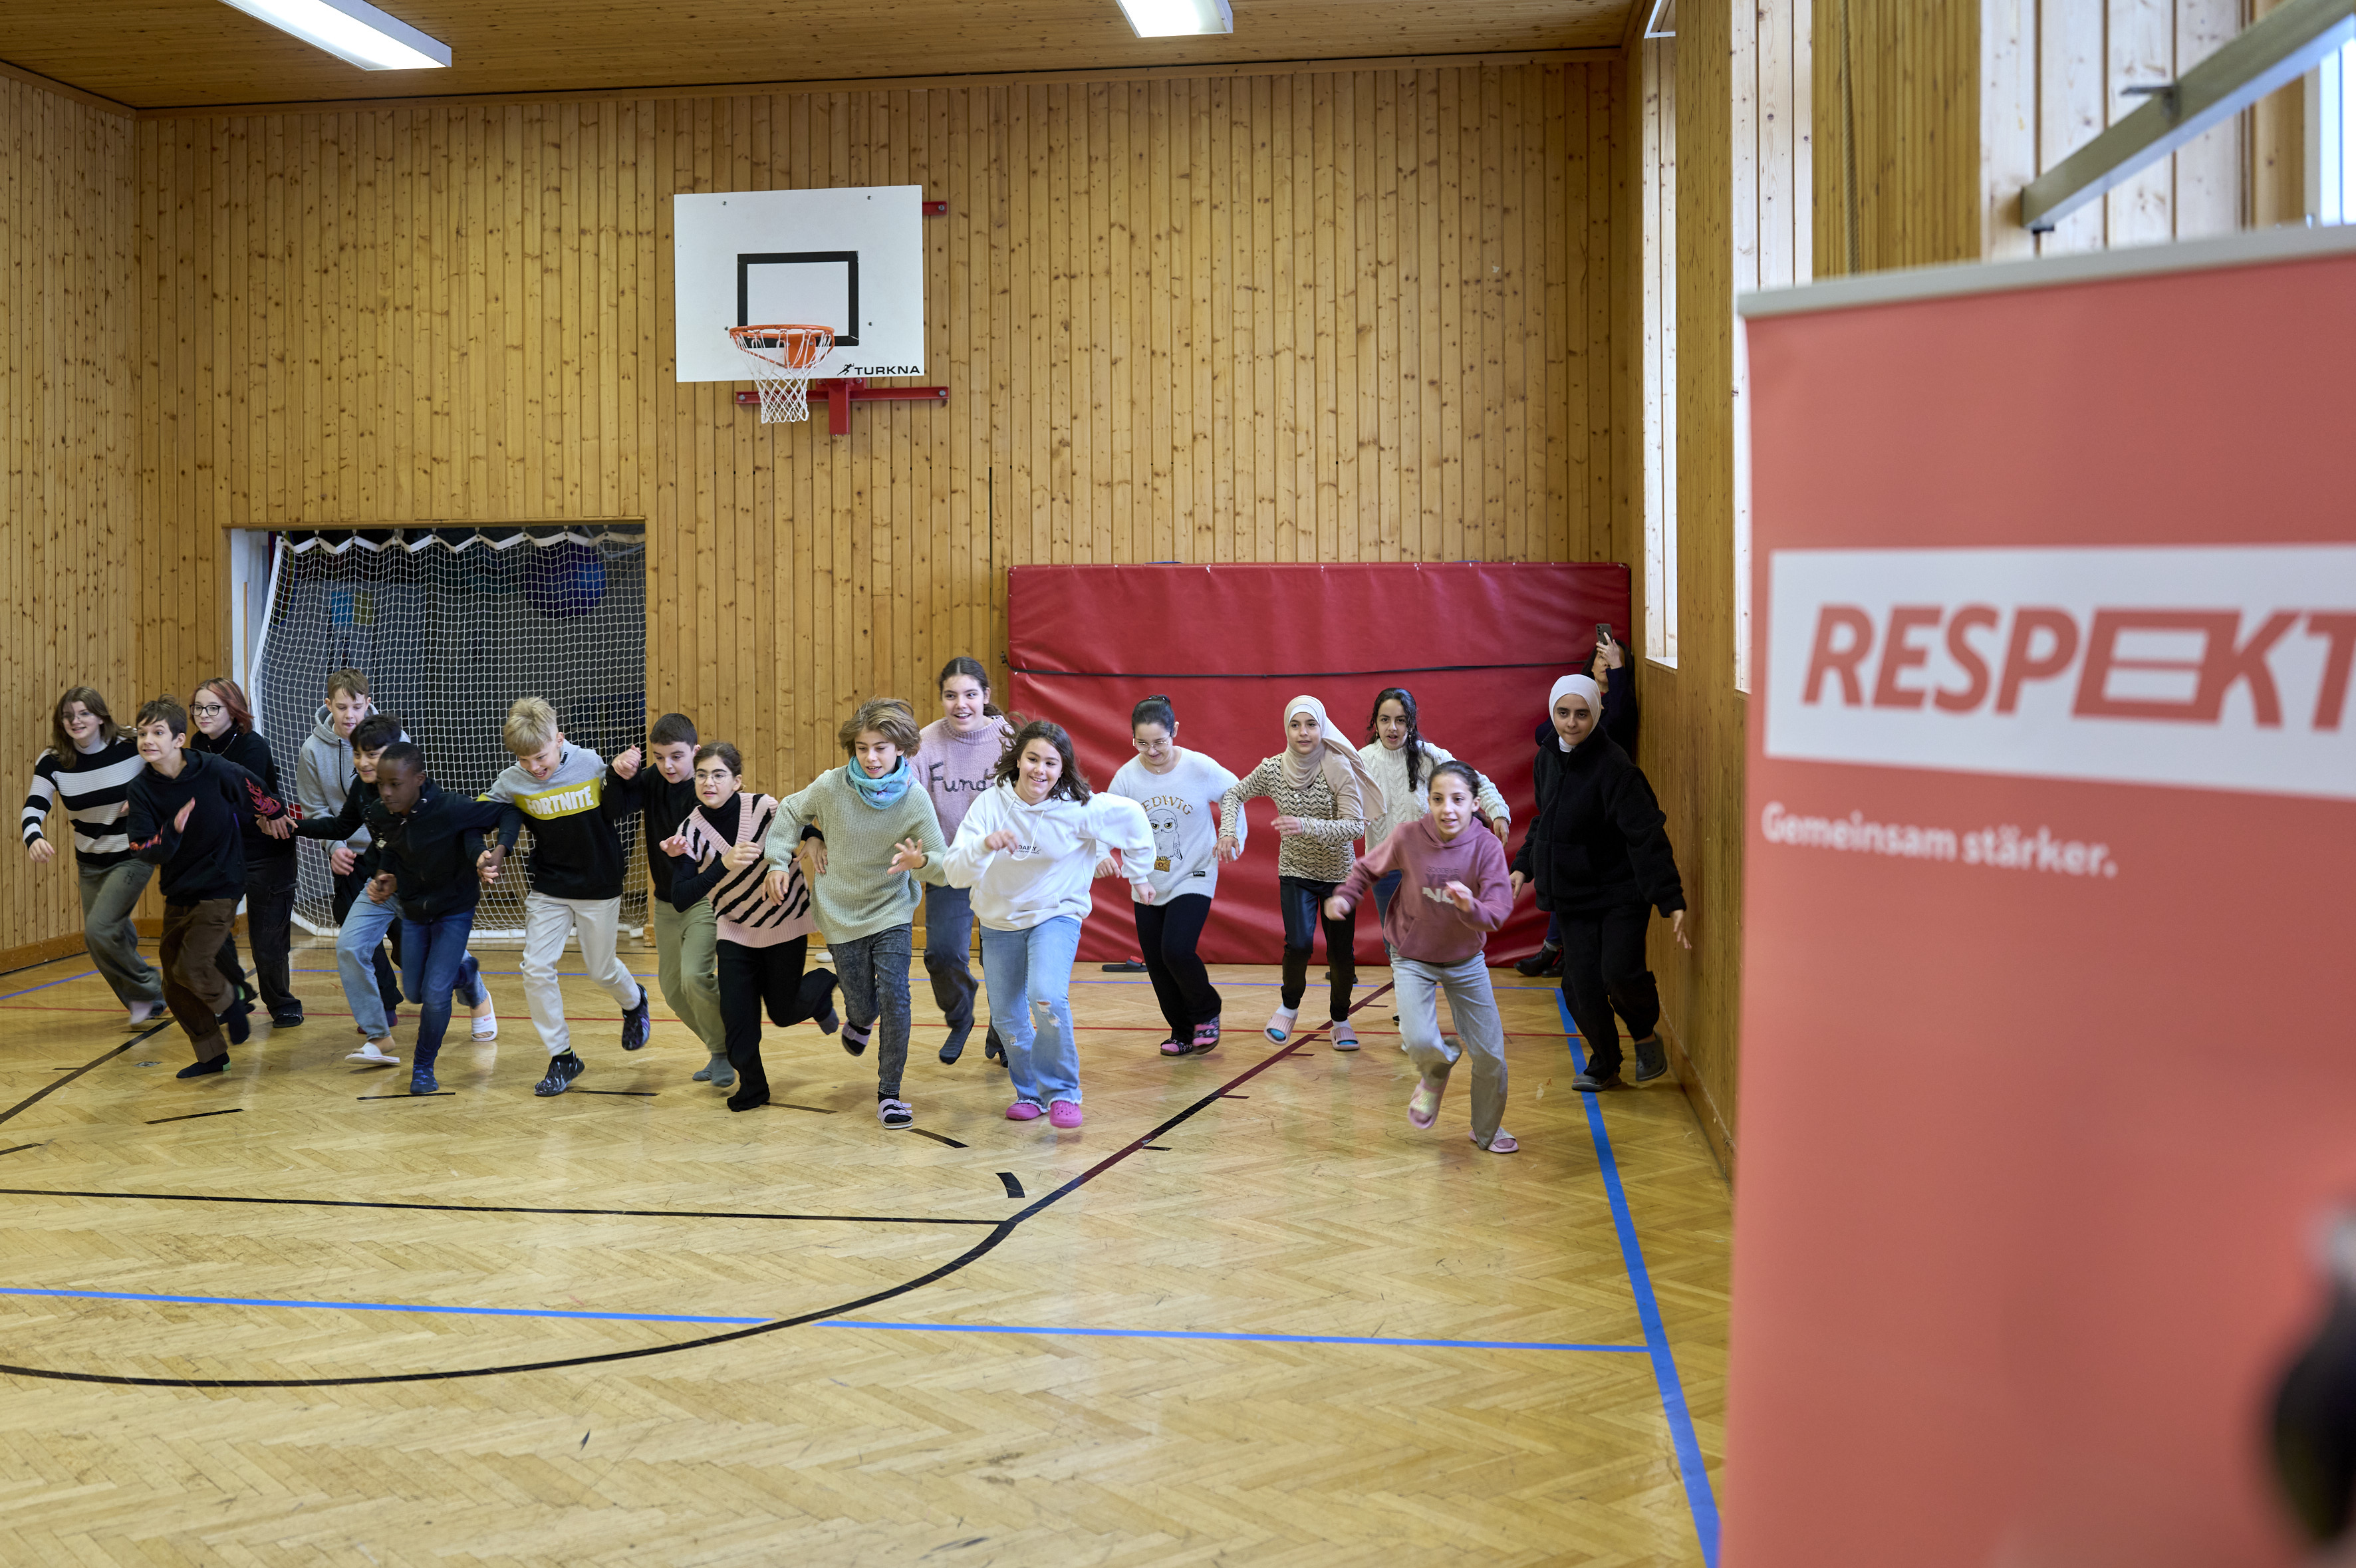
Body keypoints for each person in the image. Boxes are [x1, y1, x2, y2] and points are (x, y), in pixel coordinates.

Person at [938, 719, 1156, 1128]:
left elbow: (1133, 820)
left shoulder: (1080, 807)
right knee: (1005, 1015)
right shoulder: (990, 804)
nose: (1040, 770)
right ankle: (1030, 1093)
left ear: (1063, 768)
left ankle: (1063, 1092)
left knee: (1047, 998)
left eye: (1051, 763)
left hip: (1056, 913)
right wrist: (986, 845)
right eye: (1033, 759)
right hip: (999, 920)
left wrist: (1140, 873)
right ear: (1018, 760)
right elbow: (954, 872)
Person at [764, 698, 951, 1129]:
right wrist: (778, 861)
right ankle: (859, 1021)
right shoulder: (831, 786)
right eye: (863, 748)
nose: (871, 757)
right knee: (862, 1003)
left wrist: (920, 864)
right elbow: (792, 811)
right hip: (838, 910)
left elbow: (943, 863)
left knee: (896, 996)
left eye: (881, 747)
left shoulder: (913, 799)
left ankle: (889, 1094)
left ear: (901, 748)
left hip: (891, 908)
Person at [1509, 673, 1691, 1091]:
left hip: (1619, 892)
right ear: (1552, 712)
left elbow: (1647, 835)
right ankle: (1606, 1061)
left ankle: (1644, 1033)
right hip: (1574, 895)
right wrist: (1523, 866)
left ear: (1597, 714)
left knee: (1619, 974)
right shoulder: (1546, 758)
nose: (1572, 723)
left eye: (1582, 714)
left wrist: (1671, 897)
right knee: (1579, 986)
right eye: (1563, 713)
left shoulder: (1616, 768)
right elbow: (1544, 820)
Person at [1328, 762, 1518, 1152]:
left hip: (1465, 958)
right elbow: (1366, 868)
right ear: (1427, 801)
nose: (1448, 809)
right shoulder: (1408, 836)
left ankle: (1487, 1130)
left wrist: (1470, 908)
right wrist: (1346, 896)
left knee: (1491, 1057)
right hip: (1412, 954)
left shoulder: (1486, 847)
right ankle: (1435, 1071)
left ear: (1474, 803)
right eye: (1438, 799)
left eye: (1458, 800)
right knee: (1417, 1039)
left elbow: (1498, 910)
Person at [477, 696, 652, 1097]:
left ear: (560, 740)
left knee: (601, 969)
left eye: (540, 757)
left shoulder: (590, 763)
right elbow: (480, 813)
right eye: (524, 761)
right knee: (535, 967)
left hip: (599, 886)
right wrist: (480, 853)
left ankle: (634, 999)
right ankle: (563, 1056)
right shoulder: (513, 781)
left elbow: (621, 796)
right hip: (550, 887)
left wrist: (622, 772)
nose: (534, 768)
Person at [122, 696, 296, 1079]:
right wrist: (172, 831)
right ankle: (211, 1054)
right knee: (172, 981)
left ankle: (232, 1002)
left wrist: (273, 811)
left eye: (157, 732)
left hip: (222, 883)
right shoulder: (141, 790)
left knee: (193, 963)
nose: (148, 740)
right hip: (179, 889)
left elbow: (252, 787)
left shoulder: (213, 769)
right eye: (142, 733)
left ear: (179, 739)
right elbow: (141, 848)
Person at [672, 743, 839, 1113]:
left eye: (718, 775)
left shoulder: (765, 807)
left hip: (785, 926)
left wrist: (813, 837)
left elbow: (806, 828)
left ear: (737, 781)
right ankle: (754, 1087)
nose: (708, 782)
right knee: (737, 1018)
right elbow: (681, 895)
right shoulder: (690, 831)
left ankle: (824, 983)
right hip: (735, 932)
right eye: (701, 775)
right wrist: (722, 865)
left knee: (782, 1012)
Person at [1218, 695, 1385, 1051]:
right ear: (1286, 729)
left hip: (1339, 875)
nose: (1303, 732)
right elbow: (1233, 795)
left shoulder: (1337, 765)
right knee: (1299, 944)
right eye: (1296, 725)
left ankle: (1340, 1018)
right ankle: (1288, 1007)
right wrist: (1228, 832)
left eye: (1311, 725)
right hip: (1295, 871)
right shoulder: (1274, 769)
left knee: (1341, 953)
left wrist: (1305, 825)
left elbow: (1355, 828)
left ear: (1321, 727)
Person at [356, 743, 519, 1095]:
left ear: (419, 780)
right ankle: (467, 974)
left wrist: (501, 851)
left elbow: (508, 812)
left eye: (395, 784)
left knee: (433, 994)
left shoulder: (451, 808)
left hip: (454, 911)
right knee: (413, 991)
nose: (386, 791)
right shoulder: (380, 813)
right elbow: (392, 850)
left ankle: (424, 1068)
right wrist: (386, 874)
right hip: (414, 912)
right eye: (381, 783)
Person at [21, 686, 168, 1027]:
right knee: (111, 934)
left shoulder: (132, 745)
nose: (76, 721)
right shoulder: (54, 759)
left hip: (134, 854)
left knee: (99, 931)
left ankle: (151, 988)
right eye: (68, 715)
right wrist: (34, 837)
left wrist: (150, 801)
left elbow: (172, 771)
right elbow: (35, 805)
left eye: (84, 713)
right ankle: (145, 1000)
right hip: (90, 861)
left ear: (101, 716)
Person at [1107, 694, 1242, 1057]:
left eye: (1160, 742)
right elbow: (1103, 820)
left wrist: (1231, 833)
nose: (1151, 751)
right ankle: (1181, 1031)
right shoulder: (1127, 778)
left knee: (1176, 949)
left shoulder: (1199, 768)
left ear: (1175, 732)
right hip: (1146, 879)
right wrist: (1104, 853)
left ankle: (1207, 1013)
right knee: (1157, 963)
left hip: (1194, 871)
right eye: (1142, 743)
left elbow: (1235, 794)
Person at [608, 712, 730, 1085]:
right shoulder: (651, 781)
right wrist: (618, 775)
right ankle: (720, 1046)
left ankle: (728, 1052)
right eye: (659, 757)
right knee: (673, 991)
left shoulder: (710, 791)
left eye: (676, 756)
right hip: (666, 904)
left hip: (705, 900)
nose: (668, 766)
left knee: (695, 977)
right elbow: (614, 809)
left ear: (695, 752)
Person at [1519, 627, 1639, 978]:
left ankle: (1566, 954)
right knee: (1559, 865)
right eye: (1600, 657)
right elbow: (1544, 734)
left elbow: (1621, 723)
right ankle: (1554, 949)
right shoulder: (1574, 699)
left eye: (1612, 657)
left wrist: (1616, 673)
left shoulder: (1614, 702)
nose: (1605, 662)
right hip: (1565, 796)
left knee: (1579, 875)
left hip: (1599, 806)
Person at [912, 656, 1013, 1065]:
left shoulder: (1010, 739)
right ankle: (961, 1015)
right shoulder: (925, 743)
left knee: (1002, 957)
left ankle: (1004, 1029)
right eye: (951, 696)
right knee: (942, 953)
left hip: (1002, 868)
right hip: (950, 864)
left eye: (971, 695)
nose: (961, 705)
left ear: (986, 696)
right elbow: (907, 801)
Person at [187, 677, 301, 1030]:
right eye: (198, 708)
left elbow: (240, 798)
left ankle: (283, 1003)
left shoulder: (253, 746)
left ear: (234, 712)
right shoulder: (196, 744)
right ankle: (235, 994)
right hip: (222, 852)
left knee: (267, 941)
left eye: (212, 708)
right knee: (209, 928)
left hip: (267, 852)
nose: (203, 715)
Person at [1357, 686, 1511, 948]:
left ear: (1412, 722)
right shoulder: (1360, 761)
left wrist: (1498, 813)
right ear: (1376, 723)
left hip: (1429, 867)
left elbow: (1475, 781)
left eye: (1401, 720)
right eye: (1385, 720)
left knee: (1439, 941)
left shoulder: (1430, 756)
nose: (1392, 728)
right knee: (1395, 944)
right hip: (1386, 870)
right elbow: (1342, 803)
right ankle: (1408, 987)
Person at [297, 669, 405, 1027]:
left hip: (395, 856)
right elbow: (317, 809)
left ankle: (461, 981)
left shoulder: (395, 739)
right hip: (350, 855)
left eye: (356, 706)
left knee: (408, 938)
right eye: (341, 707)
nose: (349, 715)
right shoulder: (313, 750)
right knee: (357, 935)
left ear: (368, 704)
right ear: (328, 705)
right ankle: (381, 1007)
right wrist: (334, 847)